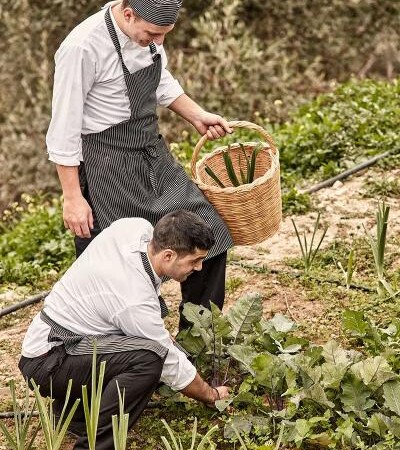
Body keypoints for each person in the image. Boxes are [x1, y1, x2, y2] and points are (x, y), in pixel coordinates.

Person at [46, 0, 234, 324]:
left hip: (150, 153)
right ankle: (135, 349)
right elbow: (63, 129)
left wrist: (197, 115)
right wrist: (73, 198)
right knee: (122, 261)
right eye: (152, 33)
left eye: (165, 34)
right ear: (128, 13)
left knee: (209, 232)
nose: (159, 42)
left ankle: (200, 336)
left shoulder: (148, 38)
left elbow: (161, 82)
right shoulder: (81, 48)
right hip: (107, 167)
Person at [19, 210, 230, 450]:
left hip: (57, 343)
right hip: (49, 361)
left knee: (145, 347)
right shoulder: (133, 298)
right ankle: (93, 446)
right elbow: (169, 360)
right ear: (169, 255)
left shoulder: (135, 229)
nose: (200, 268)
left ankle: (74, 412)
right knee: (150, 359)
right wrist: (211, 395)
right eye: (194, 261)